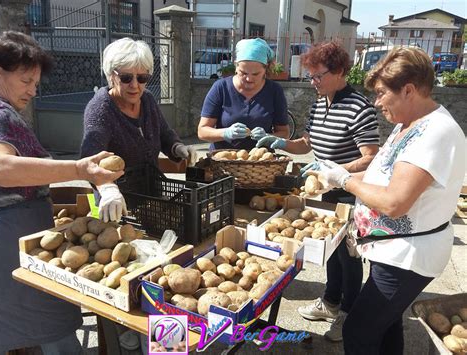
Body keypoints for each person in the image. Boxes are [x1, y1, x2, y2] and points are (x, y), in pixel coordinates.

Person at [317, 47, 465, 354]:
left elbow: (396, 203)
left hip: (409, 256)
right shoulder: (409, 122)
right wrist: (342, 176)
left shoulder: (435, 133)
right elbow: (385, 174)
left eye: (382, 93)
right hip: (392, 249)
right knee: (386, 324)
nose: (377, 102)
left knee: (358, 330)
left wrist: (344, 181)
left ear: (408, 90)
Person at [0, 31, 123, 354]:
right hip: (9, 242)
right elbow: (0, 169)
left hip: (17, 238)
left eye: (36, 83)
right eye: (26, 81)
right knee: (52, 331)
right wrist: (79, 170)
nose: (32, 91)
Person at [257, 41, 380, 341]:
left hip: (349, 192)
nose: (312, 82)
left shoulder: (358, 107)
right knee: (331, 252)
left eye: (317, 76)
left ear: (339, 72)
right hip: (325, 190)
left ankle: (348, 314)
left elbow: (371, 156)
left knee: (349, 257)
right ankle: (330, 301)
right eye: (310, 76)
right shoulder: (320, 102)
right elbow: (307, 144)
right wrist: (281, 143)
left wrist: (336, 171)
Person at [80, 37, 196, 222]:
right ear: (111, 75)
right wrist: (108, 189)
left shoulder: (147, 99)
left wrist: (177, 148)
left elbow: (164, 133)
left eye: (142, 78)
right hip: (118, 205)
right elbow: (90, 158)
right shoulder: (100, 109)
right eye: (126, 78)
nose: (135, 85)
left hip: (152, 198)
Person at [197, 38, 290, 151]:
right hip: (223, 159)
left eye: (256, 74)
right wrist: (225, 133)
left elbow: (284, 133)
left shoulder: (274, 91)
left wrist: (269, 137)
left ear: (266, 69)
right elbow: (202, 131)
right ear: (236, 66)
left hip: (261, 162)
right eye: (243, 73)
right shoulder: (221, 88)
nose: (249, 78)